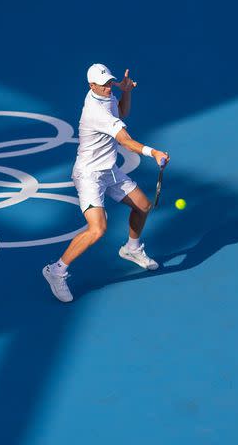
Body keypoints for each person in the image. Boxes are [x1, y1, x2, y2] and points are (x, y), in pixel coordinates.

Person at [41, 63, 170, 302]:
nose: (109, 88)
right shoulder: (95, 112)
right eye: (104, 85)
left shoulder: (105, 95)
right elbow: (126, 140)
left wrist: (126, 91)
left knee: (142, 206)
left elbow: (121, 112)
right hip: (89, 175)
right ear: (91, 86)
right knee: (98, 229)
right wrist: (154, 153)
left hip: (109, 170)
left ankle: (131, 249)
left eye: (110, 82)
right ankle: (56, 271)